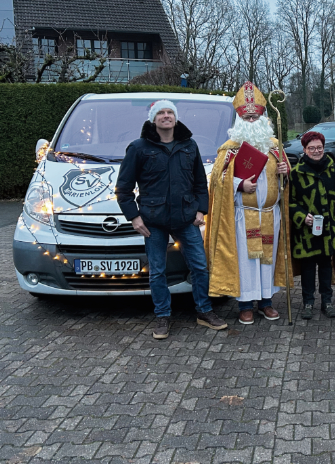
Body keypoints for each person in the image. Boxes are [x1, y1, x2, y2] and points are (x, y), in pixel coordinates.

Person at [117, 100, 228, 340]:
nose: (166, 116)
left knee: (199, 266)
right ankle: (163, 316)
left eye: (170, 113)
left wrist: (201, 211)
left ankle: (204, 311)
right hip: (152, 222)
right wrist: (134, 217)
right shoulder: (138, 148)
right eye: (161, 113)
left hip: (186, 219)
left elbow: (200, 183)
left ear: (175, 119)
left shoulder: (189, 146)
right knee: (157, 271)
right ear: (153, 119)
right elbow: (123, 189)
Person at [204, 82, 293, 325]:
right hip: (243, 215)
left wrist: (286, 170)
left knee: (267, 259)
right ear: (240, 119)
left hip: (270, 215)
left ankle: (266, 302)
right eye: (247, 117)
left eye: (256, 116)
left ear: (264, 117)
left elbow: (285, 179)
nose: (252, 120)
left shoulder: (275, 146)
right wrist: (239, 186)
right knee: (247, 262)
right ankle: (245, 305)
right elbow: (217, 181)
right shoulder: (230, 149)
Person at [289, 131, 335, 320]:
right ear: (304, 150)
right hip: (306, 232)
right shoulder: (296, 173)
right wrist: (301, 216)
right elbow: (290, 202)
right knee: (308, 269)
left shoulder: (334, 171)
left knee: (326, 267)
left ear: (323, 148)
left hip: (329, 229)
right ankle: (308, 302)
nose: (316, 151)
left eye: (319, 147)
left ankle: (327, 301)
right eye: (312, 148)